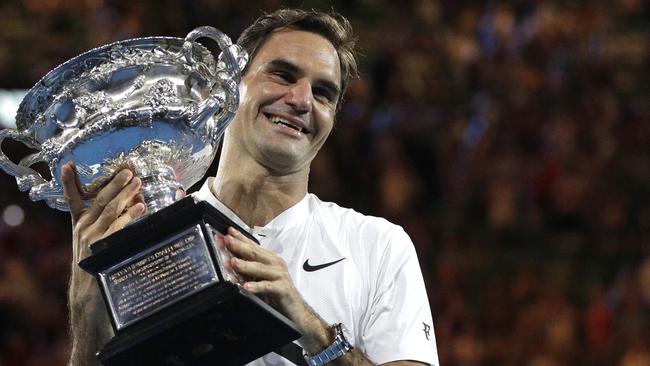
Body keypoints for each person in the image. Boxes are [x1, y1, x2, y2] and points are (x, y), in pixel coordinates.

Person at [61, 8, 439, 366]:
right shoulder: (146, 236)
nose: (302, 100)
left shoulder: (376, 246)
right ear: (228, 88)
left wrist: (312, 330)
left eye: (323, 93)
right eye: (283, 75)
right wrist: (84, 309)